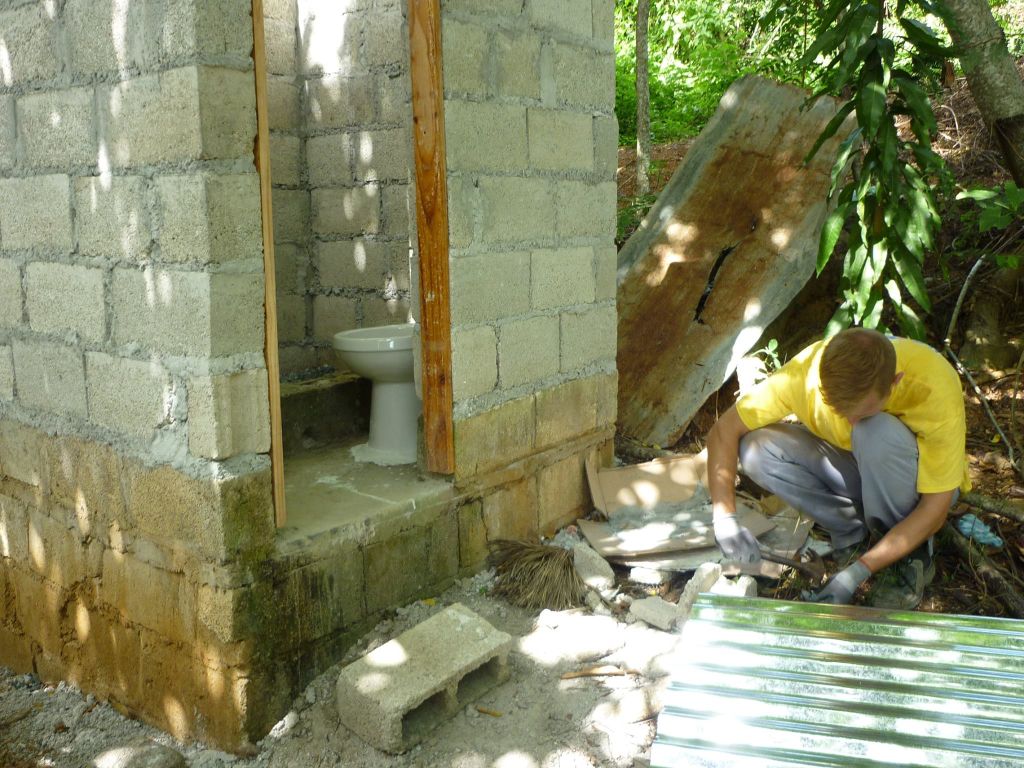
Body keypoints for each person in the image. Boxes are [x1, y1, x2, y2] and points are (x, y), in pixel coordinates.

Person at [707, 327, 969, 607]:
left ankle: (910, 556)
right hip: (861, 469)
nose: (851, 422)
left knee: (873, 431)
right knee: (756, 448)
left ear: (895, 382)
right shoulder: (804, 375)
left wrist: (861, 570)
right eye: (841, 412)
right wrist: (724, 519)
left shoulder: (933, 384)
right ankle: (851, 534)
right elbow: (724, 430)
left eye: (863, 412)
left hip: (918, 488)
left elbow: (935, 507)